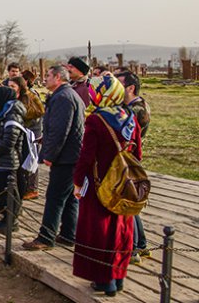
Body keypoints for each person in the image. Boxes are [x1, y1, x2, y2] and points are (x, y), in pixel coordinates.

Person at [72, 75, 142, 297]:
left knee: (99, 230)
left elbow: (87, 156)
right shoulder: (130, 116)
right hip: (125, 182)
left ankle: (105, 280)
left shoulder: (96, 120)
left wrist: (77, 181)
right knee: (122, 228)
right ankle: (119, 276)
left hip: (99, 183)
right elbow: (138, 153)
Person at [23, 65, 86, 251]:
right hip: (71, 155)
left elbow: (61, 130)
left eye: (48, 75)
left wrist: (50, 155)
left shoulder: (63, 98)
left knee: (55, 197)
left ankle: (46, 237)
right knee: (68, 198)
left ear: (58, 77)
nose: (45, 78)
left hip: (66, 157)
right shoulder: (67, 95)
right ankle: (68, 233)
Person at [116, 71, 151, 265]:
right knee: (131, 202)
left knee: (128, 203)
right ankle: (142, 243)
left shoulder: (137, 109)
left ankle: (134, 247)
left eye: (119, 84)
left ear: (130, 88)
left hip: (128, 160)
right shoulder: (130, 107)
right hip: (128, 159)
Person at [0, 86, 27, 233]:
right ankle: (5, 218)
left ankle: (11, 221)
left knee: (10, 192)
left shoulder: (13, 115)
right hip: (2, 160)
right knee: (3, 192)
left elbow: (9, 142)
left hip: (10, 160)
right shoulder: (5, 112)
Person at [8, 76, 43, 200]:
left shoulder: (29, 97)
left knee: (31, 160)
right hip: (21, 132)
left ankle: (32, 188)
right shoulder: (14, 97)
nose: (10, 88)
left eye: (13, 86)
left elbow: (38, 113)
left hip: (32, 133)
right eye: (9, 86)